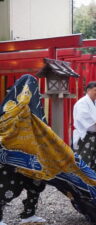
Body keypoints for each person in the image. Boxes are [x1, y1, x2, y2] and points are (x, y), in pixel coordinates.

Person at [0, 83, 46, 225]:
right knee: (4, 186)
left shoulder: (35, 109)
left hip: (32, 156)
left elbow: (44, 131)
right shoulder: (8, 108)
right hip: (11, 155)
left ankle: (29, 214)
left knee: (35, 183)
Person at [73, 81, 96, 172]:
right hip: (85, 136)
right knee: (83, 160)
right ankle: (81, 181)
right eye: (95, 90)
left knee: (94, 160)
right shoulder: (82, 102)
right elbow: (82, 116)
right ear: (88, 90)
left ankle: (93, 180)